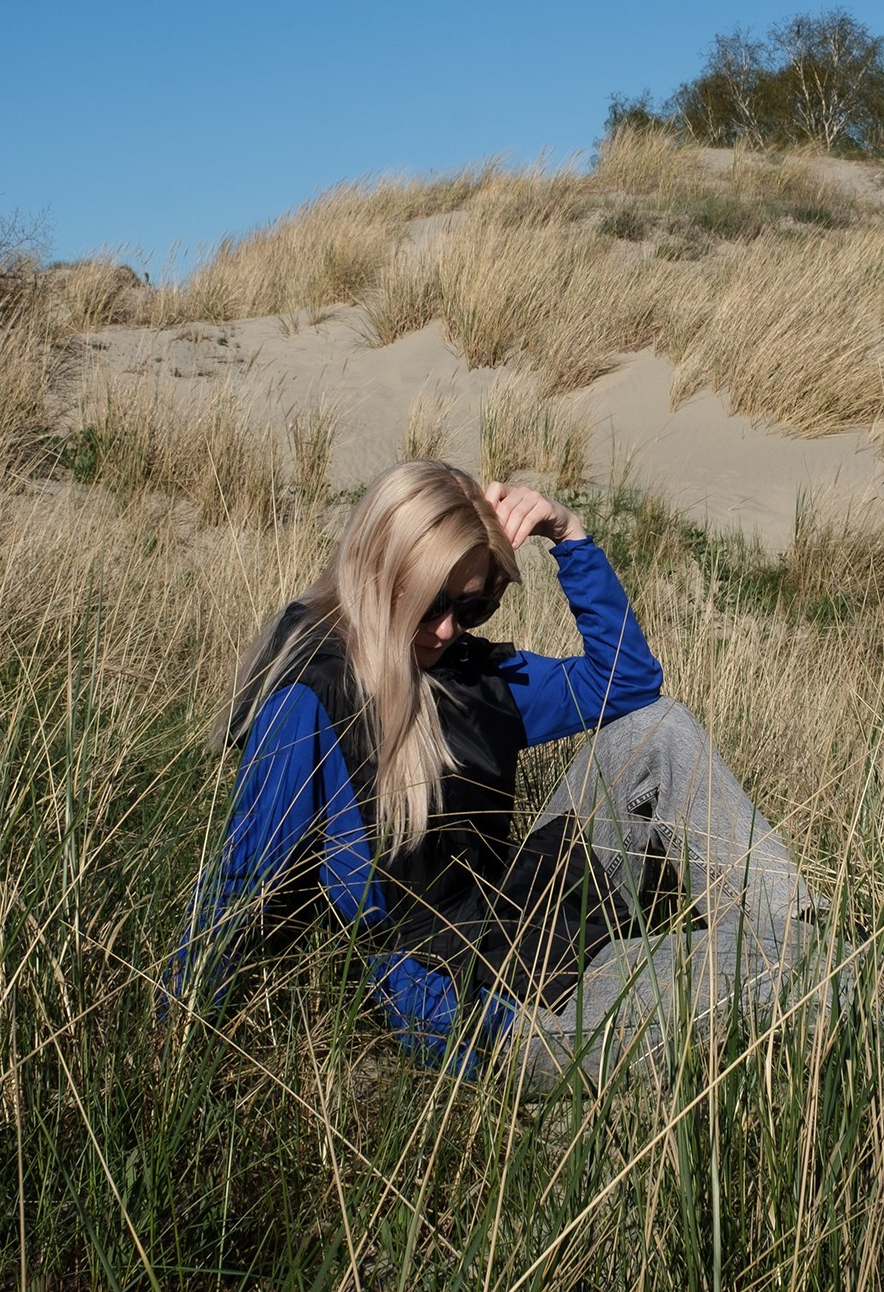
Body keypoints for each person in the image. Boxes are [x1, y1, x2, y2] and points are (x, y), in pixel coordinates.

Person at [165, 459, 828, 1091]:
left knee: (660, 728)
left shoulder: (469, 673)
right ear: (377, 570)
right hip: (481, 1014)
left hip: (524, 926)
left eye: (471, 607)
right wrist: (175, 1039)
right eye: (430, 603)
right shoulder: (311, 697)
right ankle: (818, 960)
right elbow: (239, 887)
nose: (446, 630)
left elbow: (626, 682)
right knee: (803, 977)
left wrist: (568, 534)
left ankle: (801, 921)